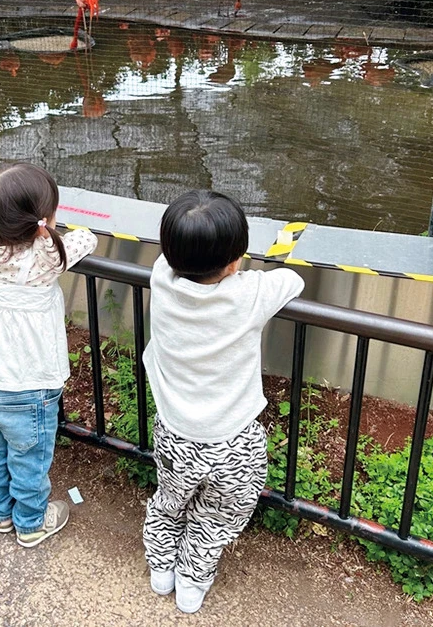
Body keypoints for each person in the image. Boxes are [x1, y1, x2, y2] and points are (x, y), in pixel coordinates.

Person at [142, 189, 304, 613]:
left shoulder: (161, 276)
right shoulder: (249, 294)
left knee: (169, 500)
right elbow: (292, 280)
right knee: (215, 515)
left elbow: (171, 258)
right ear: (236, 261)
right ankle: (192, 582)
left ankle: (161, 571)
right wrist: (244, 271)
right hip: (232, 442)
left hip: (173, 431)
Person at [0, 162, 98, 547]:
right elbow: (88, 238)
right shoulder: (46, 259)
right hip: (29, 388)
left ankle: (1, 513)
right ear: (41, 222)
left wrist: (39, 227)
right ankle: (31, 524)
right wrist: (50, 233)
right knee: (28, 460)